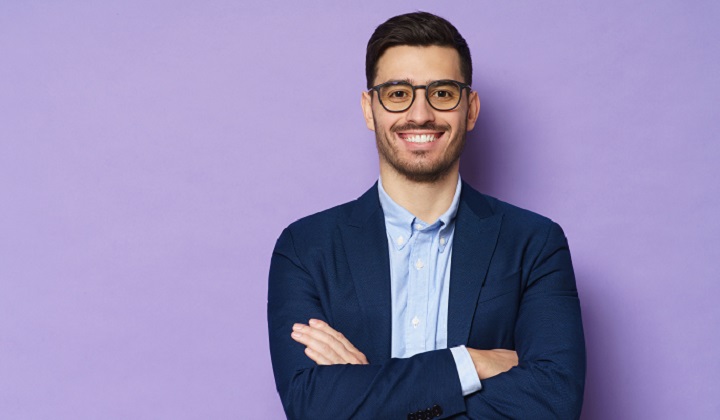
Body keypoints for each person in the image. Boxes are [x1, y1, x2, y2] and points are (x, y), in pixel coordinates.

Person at [268, 11, 585, 420]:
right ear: (369, 109)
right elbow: (312, 406)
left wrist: (370, 394)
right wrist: (468, 364)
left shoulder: (535, 244)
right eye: (398, 93)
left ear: (469, 109)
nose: (420, 115)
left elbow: (554, 403)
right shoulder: (304, 248)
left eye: (442, 92)